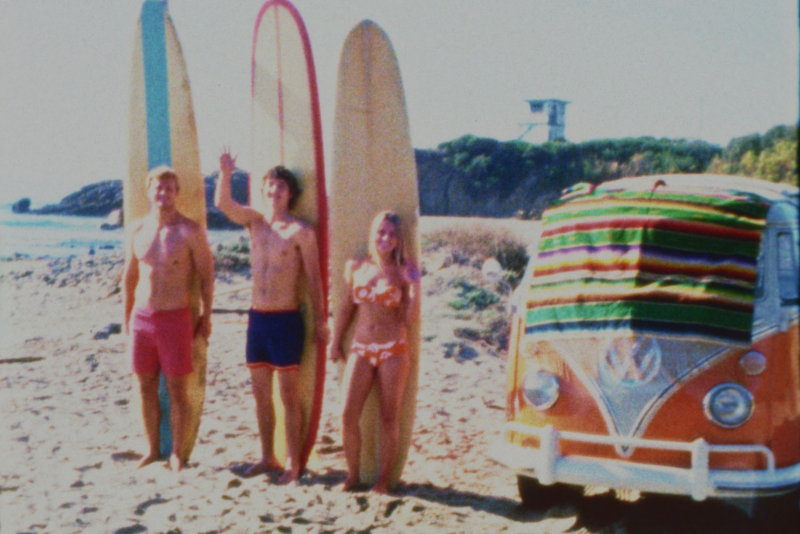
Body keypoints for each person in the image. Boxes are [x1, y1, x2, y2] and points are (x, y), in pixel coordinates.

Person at [214, 150, 328, 483]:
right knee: (260, 394)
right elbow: (224, 205)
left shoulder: (300, 231)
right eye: (270, 185)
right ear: (263, 190)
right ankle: (268, 457)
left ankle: (293, 462)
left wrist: (321, 319)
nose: (274, 190)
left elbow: (314, 279)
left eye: (281, 186)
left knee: (288, 395)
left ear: (290, 193)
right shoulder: (255, 221)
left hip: (285, 320)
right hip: (257, 320)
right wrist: (224, 172)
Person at [123, 166, 215, 472]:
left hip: (176, 318)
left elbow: (206, 277)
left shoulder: (190, 231)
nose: (163, 194)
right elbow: (129, 278)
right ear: (149, 191)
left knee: (177, 389)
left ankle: (176, 452)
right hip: (142, 319)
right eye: (158, 188)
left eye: (169, 189)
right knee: (145, 385)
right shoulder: (137, 229)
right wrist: (126, 321)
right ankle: (151, 449)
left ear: (176, 193)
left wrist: (207, 316)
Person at [329, 210, 420, 494]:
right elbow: (345, 307)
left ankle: (382, 482)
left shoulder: (405, 271)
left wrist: (415, 285)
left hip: (393, 348)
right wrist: (335, 341)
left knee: (389, 417)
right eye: (381, 232)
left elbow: (410, 319)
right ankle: (352, 476)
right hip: (361, 347)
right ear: (373, 234)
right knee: (347, 415)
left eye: (392, 234)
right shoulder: (356, 267)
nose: (386, 238)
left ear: (398, 241)